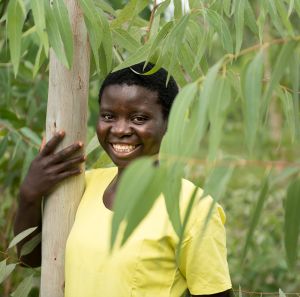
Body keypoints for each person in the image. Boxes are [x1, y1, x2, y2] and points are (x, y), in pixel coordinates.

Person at [14, 62, 232, 297]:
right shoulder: (80, 185)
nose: (119, 129)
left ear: (169, 123)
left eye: (138, 118)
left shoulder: (194, 210)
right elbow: (30, 259)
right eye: (109, 116)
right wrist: (29, 195)